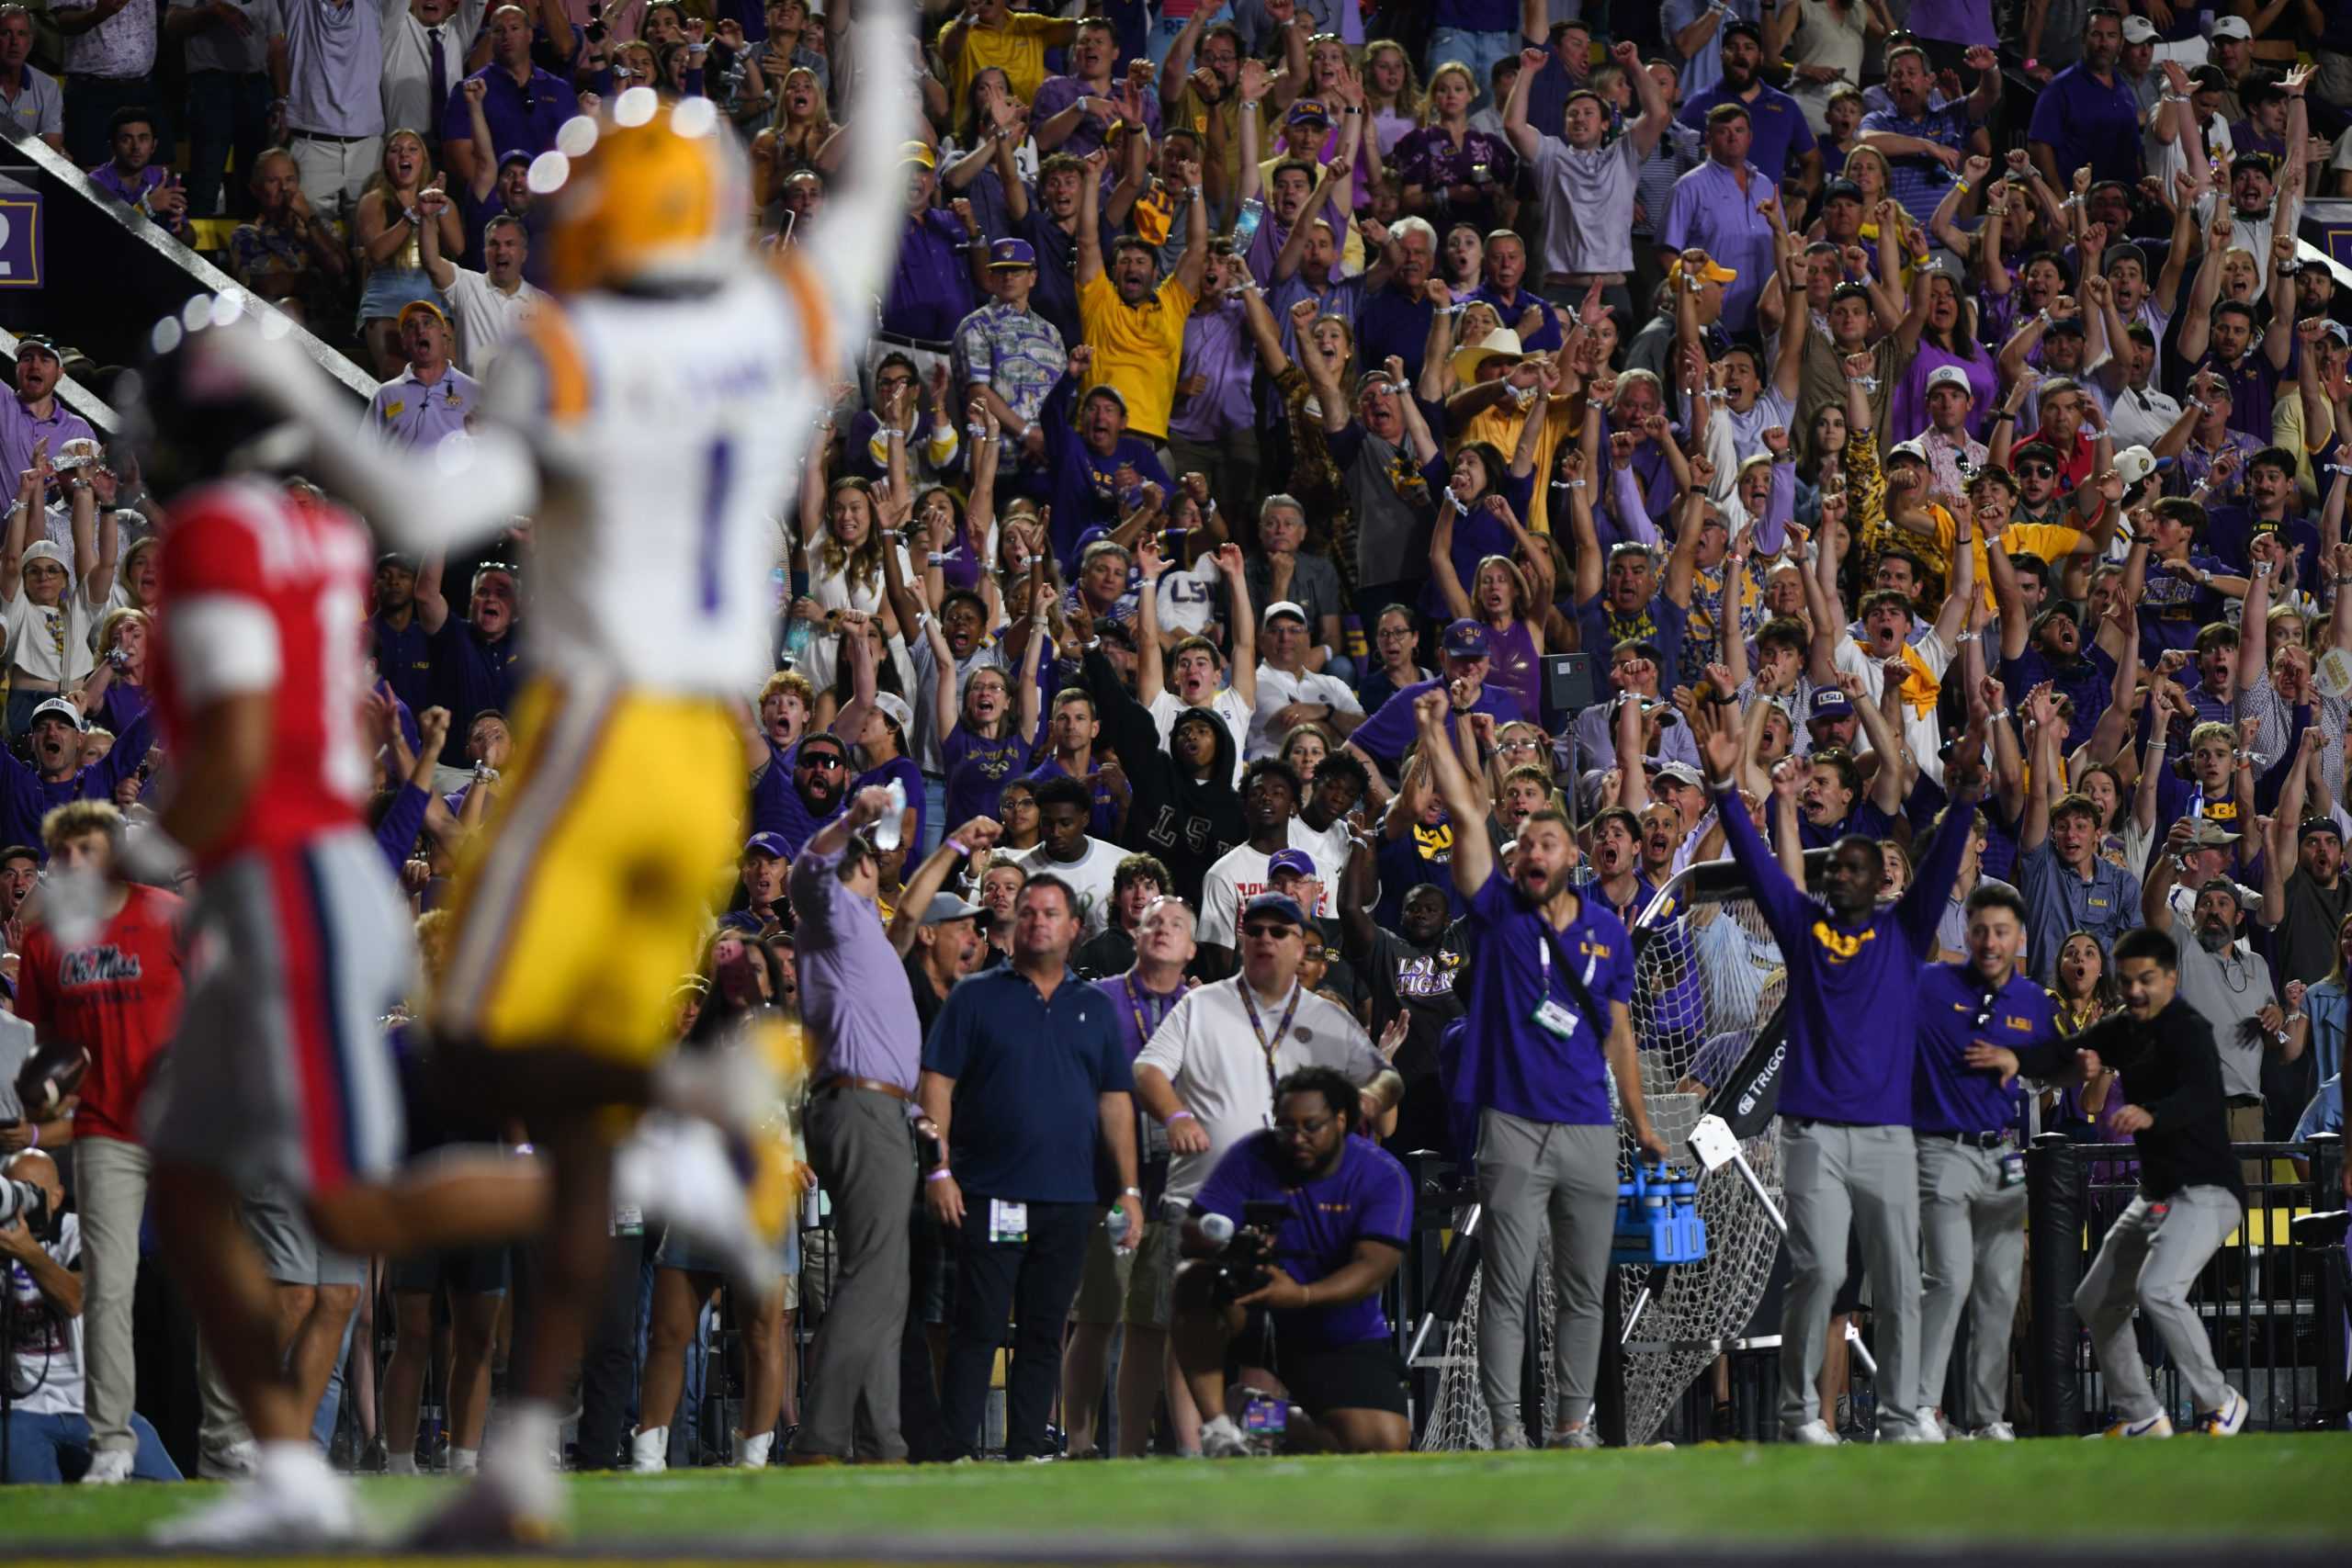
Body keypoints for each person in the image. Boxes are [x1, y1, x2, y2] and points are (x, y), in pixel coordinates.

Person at [203, 34, 917, 1537]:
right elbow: (871, 183)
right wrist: (884, 28)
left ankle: (696, 1111)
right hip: (713, 761)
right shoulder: (787, 313)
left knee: (465, 1069)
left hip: (598, 738)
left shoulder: (570, 344)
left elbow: (414, 503)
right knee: (566, 1128)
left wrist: (282, 376)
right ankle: (525, 1453)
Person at [1701, 702, 1983, 1444]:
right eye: (1845, 865)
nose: (1854, 872)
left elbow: (1948, 846)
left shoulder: (1904, 933)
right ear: (1831, 877)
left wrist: (1965, 795)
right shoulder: (1805, 929)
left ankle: (1899, 1414)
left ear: (1885, 880)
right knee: (1820, 1272)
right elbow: (1761, 869)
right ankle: (1800, 1415)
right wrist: (1728, 794)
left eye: (1869, 865)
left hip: (1889, 1137)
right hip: (1814, 1136)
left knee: (1897, 1286)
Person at [1414, 687, 1668, 1447]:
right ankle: (1504, 1428)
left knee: (1585, 1291)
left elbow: (1618, 1030)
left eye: (1546, 844)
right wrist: (1435, 730)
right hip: (1512, 1124)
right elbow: (1465, 814)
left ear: (1574, 856)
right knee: (1507, 1289)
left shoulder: (1606, 931)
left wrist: (1644, 1122)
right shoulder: (1496, 909)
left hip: (1591, 1125)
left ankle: (1569, 1425)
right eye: (1523, 844)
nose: (1532, 854)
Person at [1968, 927, 2250, 1438]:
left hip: (2207, 1189)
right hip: (2159, 1192)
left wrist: (2151, 1115)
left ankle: (2221, 1401)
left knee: (2159, 1290)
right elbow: (2064, 1055)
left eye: (2147, 979)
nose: (2136, 990)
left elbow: (2201, 1098)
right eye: (2127, 981)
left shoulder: (2188, 1030)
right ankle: (2141, 1416)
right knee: (2095, 1299)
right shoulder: (2122, 1027)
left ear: (2170, 979)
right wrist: (2016, 1060)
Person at [918, 874, 1144, 1462]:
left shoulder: (1094, 1007)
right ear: (1014, 925)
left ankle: (1024, 1451)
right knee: (979, 1325)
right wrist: (938, 1169)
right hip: (992, 1194)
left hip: (1069, 1200)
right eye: (1029, 912)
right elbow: (936, 1083)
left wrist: (1129, 1189)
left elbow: (1116, 1102)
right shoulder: (975, 996)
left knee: (1046, 1331)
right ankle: (956, 1450)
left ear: (1074, 929)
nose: (1038, 921)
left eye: (1050, 913)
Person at [10, 801, 181, 1484]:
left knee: (212, 1282)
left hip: (183, 1129)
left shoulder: (170, 913)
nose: (74, 864)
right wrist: (43, 1094)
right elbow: (35, 1050)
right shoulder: (48, 943)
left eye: (87, 850)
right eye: (64, 854)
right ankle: (112, 1438)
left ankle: (234, 1439)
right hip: (105, 1130)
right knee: (111, 1287)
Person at [1170, 1066, 1416, 1457]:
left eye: (1310, 1126)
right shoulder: (1253, 1153)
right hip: (1254, 1306)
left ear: (1340, 1120)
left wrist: (1301, 1295)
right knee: (1192, 1280)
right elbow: (1192, 1233)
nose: (1296, 1138)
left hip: (1336, 1325)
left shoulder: (1382, 1174)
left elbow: (1373, 1270)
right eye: (1285, 1126)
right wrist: (1228, 1239)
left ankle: (1264, 1415)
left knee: (1381, 1443)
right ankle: (1217, 1429)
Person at [1909, 882, 2054, 1441]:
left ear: (2019, 937)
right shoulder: (1929, 985)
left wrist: (2028, 1057)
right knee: (1947, 1276)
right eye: (1979, 931)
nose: (1990, 942)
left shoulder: (2034, 1002)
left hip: (2002, 1156)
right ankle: (1921, 1407)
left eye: (2001, 932)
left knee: (1998, 1289)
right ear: (1964, 933)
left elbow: (2055, 1068)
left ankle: (1987, 1418)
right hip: (1940, 1150)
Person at [1, 1148, 182, 1482]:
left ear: (57, 1196)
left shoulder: (81, 1231)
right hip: (21, 1412)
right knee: (36, 1512)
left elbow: (76, 1299)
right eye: (13, 1192)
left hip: (94, 1407)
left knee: (171, 1490)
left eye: (30, 1192)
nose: (20, 1205)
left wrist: (28, 1253)